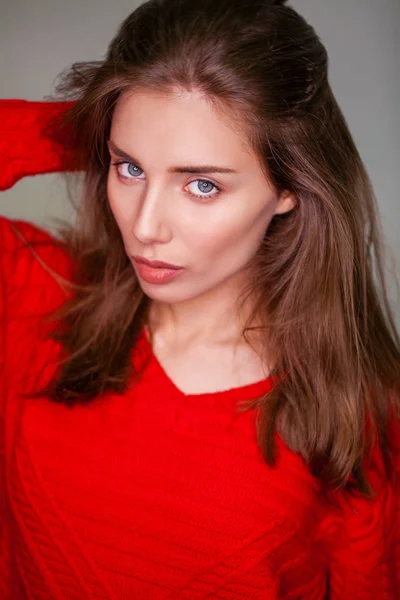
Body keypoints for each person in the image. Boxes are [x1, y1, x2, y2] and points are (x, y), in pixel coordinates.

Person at [0, 0, 399, 597]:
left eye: (202, 184)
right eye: (128, 169)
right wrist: (95, 123)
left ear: (290, 186)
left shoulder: (352, 411)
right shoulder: (33, 292)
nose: (146, 226)